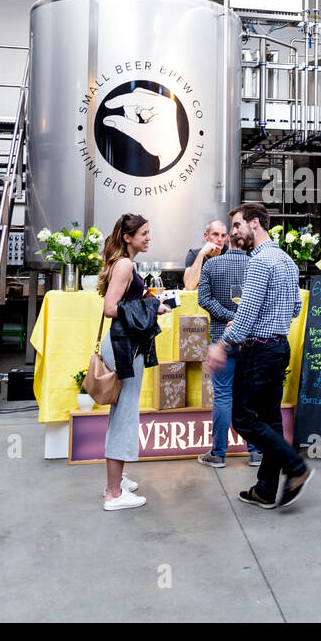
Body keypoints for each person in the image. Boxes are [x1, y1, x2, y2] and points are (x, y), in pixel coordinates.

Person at [204, 202, 312, 510]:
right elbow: (294, 309)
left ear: (255, 223)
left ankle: (296, 467)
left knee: (243, 418)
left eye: (237, 226)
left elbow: (247, 312)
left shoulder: (260, 262)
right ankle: (266, 489)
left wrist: (222, 345)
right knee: (270, 419)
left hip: (260, 350)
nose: (233, 233)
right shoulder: (287, 260)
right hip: (278, 347)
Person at [96, 212, 169, 512]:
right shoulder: (125, 264)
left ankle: (118, 480)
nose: (148, 238)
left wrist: (150, 303)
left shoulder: (125, 263)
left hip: (125, 345)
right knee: (125, 416)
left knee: (121, 414)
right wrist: (152, 305)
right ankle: (113, 493)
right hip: (125, 348)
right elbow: (110, 308)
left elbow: (124, 303)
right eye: (144, 234)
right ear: (128, 238)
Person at [195, 227, 263, 468]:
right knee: (249, 396)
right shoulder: (257, 265)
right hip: (250, 339)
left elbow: (203, 298)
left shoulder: (212, 266)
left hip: (220, 338)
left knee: (223, 395)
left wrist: (226, 317)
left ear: (227, 241)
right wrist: (239, 318)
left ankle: (219, 453)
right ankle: (255, 451)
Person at [183, 220, 227, 290]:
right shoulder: (194, 254)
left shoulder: (228, 253)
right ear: (206, 236)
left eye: (223, 235)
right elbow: (189, 286)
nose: (220, 239)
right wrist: (202, 253)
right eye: (215, 234)